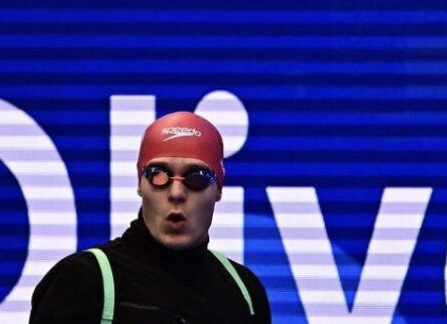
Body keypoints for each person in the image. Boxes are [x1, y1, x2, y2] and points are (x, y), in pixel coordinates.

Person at [30, 111, 270, 323]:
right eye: (159, 174)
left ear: (218, 189)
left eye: (196, 177)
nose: (176, 193)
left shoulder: (245, 293)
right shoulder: (82, 281)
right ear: (140, 184)